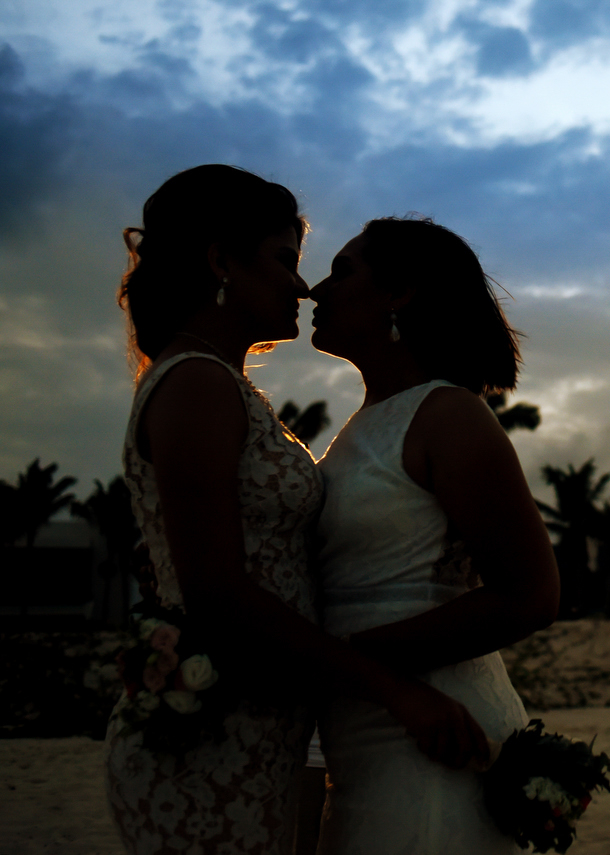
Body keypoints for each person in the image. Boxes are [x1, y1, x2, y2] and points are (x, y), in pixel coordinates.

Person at [107, 167, 482, 855]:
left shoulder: (219, 385)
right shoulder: (196, 382)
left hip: (257, 724)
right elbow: (218, 592)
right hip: (214, 733)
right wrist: (394, 688)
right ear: (221, 261)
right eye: (286, 260)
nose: (302, 286)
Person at [308, 217, 560, 853]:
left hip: (434, 725)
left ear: (400, 293)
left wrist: (351, 661)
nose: (315, 289)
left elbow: (529, 594)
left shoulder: (448, 414)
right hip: (362, 724)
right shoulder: (364, 425)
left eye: (341, 271)